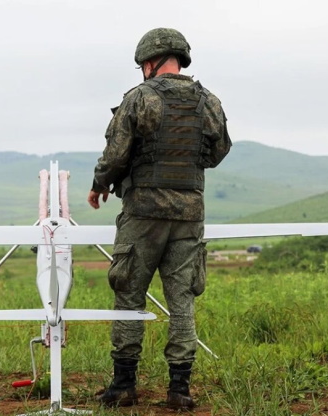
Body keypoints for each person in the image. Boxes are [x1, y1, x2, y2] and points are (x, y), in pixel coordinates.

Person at [88, 27, 231, 409]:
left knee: (129, 295)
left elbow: (117, 153)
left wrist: (101, 183)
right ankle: (179, 390)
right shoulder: (209, 101)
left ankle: (123, 386)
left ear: (150, 61)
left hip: (144, 212)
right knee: (182, 300)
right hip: (189, 213)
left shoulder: (140, 98)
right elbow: (218, 151)